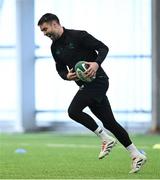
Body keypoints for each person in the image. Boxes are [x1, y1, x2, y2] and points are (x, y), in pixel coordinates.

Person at [38, 13, 147, 173]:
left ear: (55, 24)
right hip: (86, 86)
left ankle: (105, 139)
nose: (44, 33)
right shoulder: (54, 48)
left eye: (45, 29)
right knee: (110, 123)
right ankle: (136, 155)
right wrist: (66, 76)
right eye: (42, 31)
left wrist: (96, 64)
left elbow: (103, 48)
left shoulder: (78, 35)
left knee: (73, 111)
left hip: (99, 81)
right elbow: (60, 68)